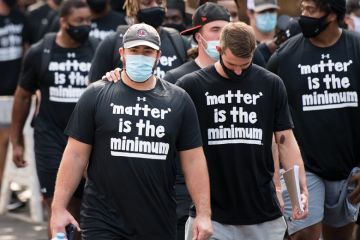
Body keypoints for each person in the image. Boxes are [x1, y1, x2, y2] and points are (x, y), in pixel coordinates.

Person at [50, 23, 213, 240]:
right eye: (134, 51)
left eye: (147, 51)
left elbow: (193, 160)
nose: (140, 56)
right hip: (102, 220)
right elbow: (75, 155)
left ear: (158, 56)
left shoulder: (179, 100)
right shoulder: (96, 95)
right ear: (122, 54)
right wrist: (58, 208)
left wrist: (203, 214)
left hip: (158, 219)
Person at [176, 21, 308, 240]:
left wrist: (298, 194)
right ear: (218, 50)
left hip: (263, 213)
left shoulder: (271, 84)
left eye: (244, 65)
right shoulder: (191, 86)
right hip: (212, 214)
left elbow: (285, 142)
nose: (238, 71)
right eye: (231, 64)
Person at [267, 0, 360, 240]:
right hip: (301, 166)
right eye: (303, 9)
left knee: (340, 235)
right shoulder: (284, 57)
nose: (303, 16)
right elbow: (269, 117)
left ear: (331, 14)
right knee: (304, 233)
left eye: (311, 10)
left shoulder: (356, 48)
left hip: (349, 166)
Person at [11, 0, 98, 238]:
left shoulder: (97, 50)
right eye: (79, 21)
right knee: (56, 206)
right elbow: (22, 97)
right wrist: (16, 141)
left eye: (89, 20)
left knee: (80, 208)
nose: (85, 26)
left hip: (86, 143)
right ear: (63, 22)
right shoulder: (41, 51)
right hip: (50, 140)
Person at [88, 0, 191, 81]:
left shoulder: (180, 42)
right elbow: (94, 88)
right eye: (147, 3)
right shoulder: (112, 42)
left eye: (159, 2)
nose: (155, 6)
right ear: (133, 6)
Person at [0, 0, 30, 210]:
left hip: (16, 91)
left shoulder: (20, 17)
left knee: (14, 140)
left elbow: (26, 49)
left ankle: (7, 188)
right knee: (2, 141)